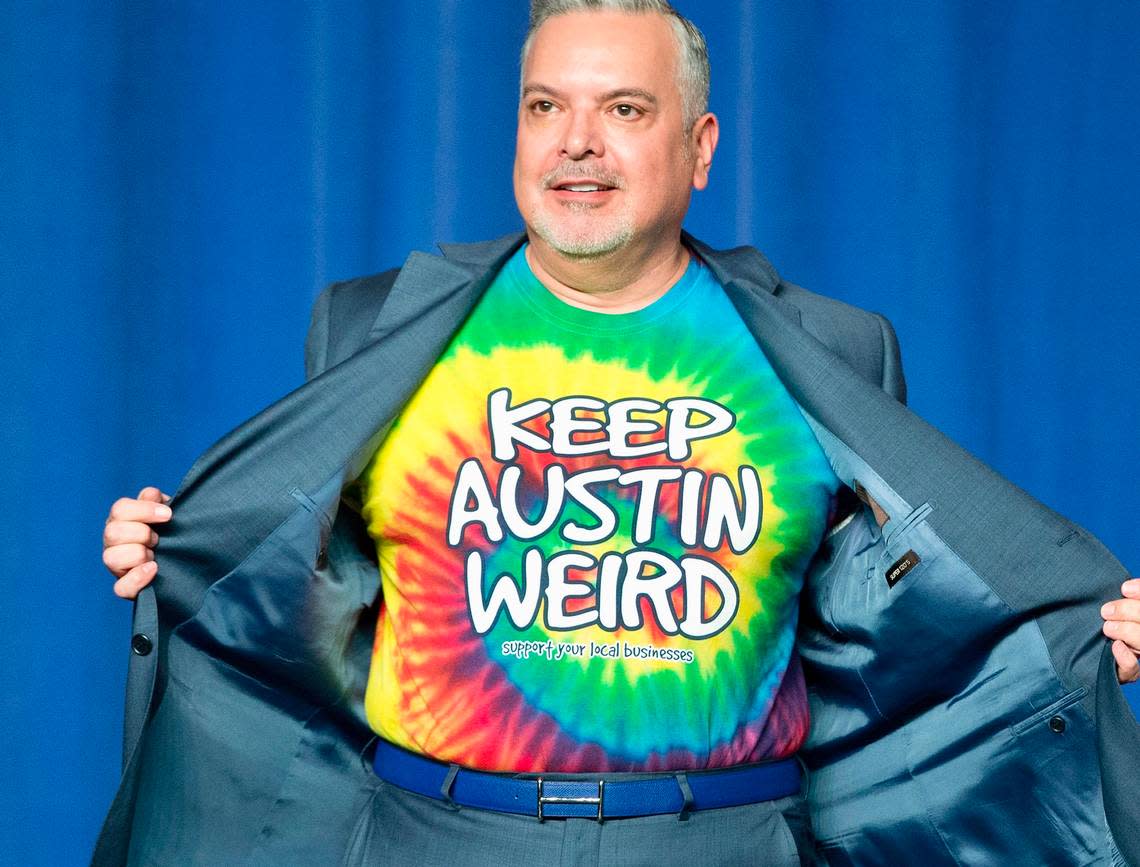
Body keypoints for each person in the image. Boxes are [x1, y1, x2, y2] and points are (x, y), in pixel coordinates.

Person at [96, 2, 1140, 865]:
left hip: (722, 842)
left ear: (699, 146)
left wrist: (1076, 641)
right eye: (544, 105)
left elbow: (900, 630)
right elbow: (295, 592)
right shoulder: (374, 326)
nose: (575, 142)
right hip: (433, 836)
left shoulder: (834, 348)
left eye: (623, 108)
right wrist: (174, 549)